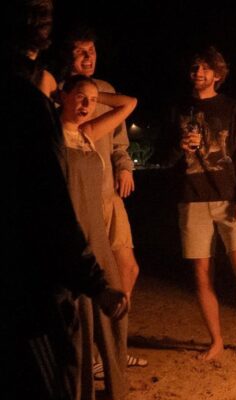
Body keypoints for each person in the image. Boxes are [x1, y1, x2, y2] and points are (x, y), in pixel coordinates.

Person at [2, 0, 127, 400]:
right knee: (48, 399)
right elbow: (51, 206)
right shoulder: (29, 107)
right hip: (30, 287)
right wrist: (95, 282)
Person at [171, 45, 236, 362]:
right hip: (192, 200)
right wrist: (178, 146)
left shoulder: (233, 109)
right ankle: (216, 341)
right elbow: (163, 156)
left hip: (230, 200)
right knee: (201, 275)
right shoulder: (179, 110)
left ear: (217, 74)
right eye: (194, 67)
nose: (198, 73)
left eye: (205, 68)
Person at [60, 26, 146, 371]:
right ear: (68, 56)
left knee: (128, 268)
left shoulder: (106, 92)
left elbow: (120, 142)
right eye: (80, 51)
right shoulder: (60, 93)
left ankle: (114, 346)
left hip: (109, 194)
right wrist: (78, 90)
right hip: (80, 199)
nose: (88, 57)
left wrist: (125, 167)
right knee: (86, 277)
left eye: (92, 51)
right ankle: (93, 353)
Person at [58, 74, 137, 400]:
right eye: (79, 97)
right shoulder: (52, 135)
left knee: (114, 304)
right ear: (62, 97)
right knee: (78, 314)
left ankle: (115, 381)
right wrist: (65, 96)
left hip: (97, 233)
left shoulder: (88, 134)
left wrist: (94, 98)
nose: (86, 104)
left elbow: (129, 103)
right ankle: (79, 389)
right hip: (70, 232)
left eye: (91, 99)